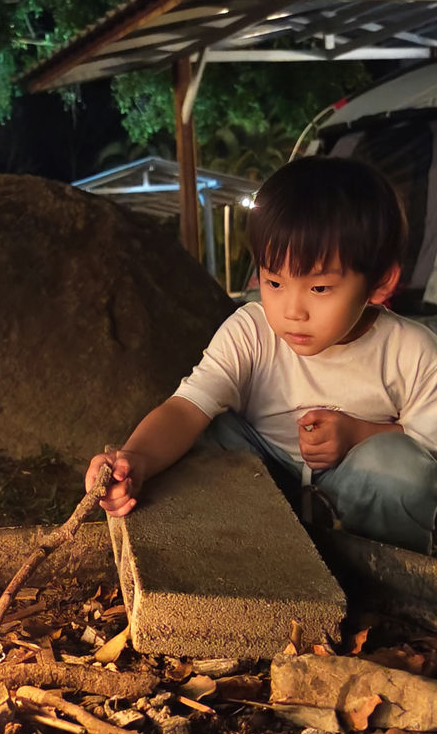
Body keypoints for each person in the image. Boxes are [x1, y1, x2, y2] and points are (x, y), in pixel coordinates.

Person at [85, 156, 437, 555]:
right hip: (261, 482)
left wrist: (360, 434)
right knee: (202, 434)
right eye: (274, 281)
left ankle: (384, 586)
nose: (292, 311)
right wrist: (135, 460)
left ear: (379, 283)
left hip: (354, 500)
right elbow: (186, 407)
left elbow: (427, 447)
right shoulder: (251, 330)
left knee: (401, 467)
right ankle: (229, 561)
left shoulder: (412, 352)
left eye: (319, 288)